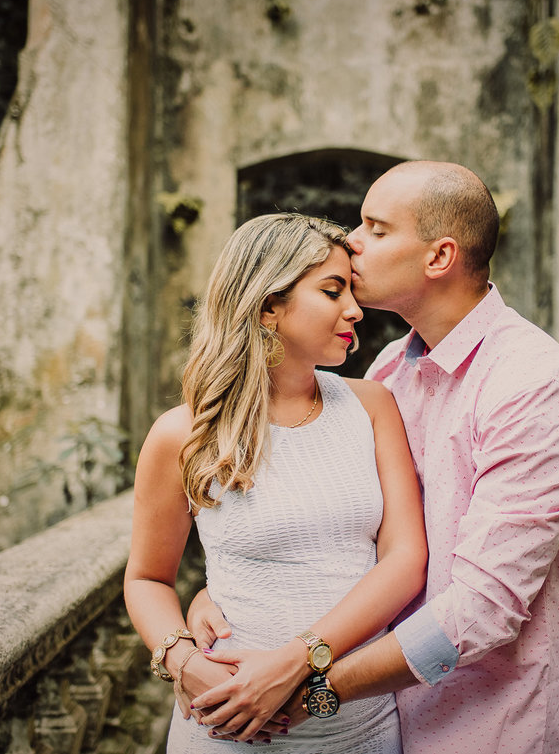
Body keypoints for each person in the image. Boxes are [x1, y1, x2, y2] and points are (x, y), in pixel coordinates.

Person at [188, 161, 559, 754]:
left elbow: (482, 610)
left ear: (439, 258)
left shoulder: (533, 386)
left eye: (376, 228)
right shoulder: (390, 370)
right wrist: (231, 591)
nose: (350, 242)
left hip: (491, 728)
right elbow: (344, 530)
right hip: (387, 722)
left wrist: (305, 684)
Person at [123, 212, 429, 753]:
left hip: (358, 727)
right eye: (332, 291)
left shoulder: (373, 406)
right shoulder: (183, 433)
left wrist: (296, 661)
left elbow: (405, 561)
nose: (355, 309)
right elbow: (147, 578)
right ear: (268, 306)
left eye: (350, 291)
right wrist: (183, 661)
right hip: (224, 726)